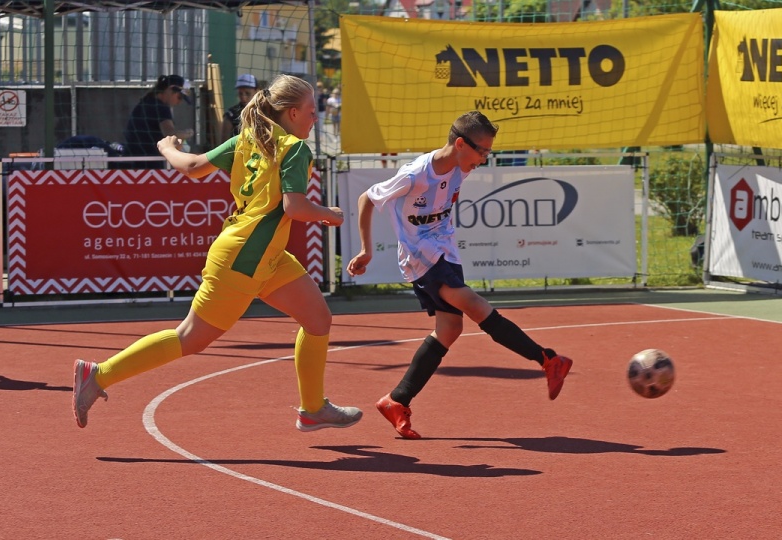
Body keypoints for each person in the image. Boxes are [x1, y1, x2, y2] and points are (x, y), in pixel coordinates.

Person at [73, 74, 362, 433]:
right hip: (245, 257)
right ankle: (98, 375)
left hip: (262, 254)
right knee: (190, 337)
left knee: (318, 320)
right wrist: (327, 214)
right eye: (310, 110)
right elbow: (295, 208)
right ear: (290, 113)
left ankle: (313, 408)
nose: (315, 117)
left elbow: (192, 168)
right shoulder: (295, 148)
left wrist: (167, 148)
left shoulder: (246, 140)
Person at [345, 111, 573, 439]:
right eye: (482, 151)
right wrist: (367, 250)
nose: (484, 159)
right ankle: (547, 359)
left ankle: (397, 400)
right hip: (420, 255)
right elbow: (367, 198)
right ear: (461, 143)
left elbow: (453, 181)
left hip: (446, 250)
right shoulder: (415, 174)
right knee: (471, 302)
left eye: (488, 153)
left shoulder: (460, 168)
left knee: (450, 328)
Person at [122, 74, 195, 168]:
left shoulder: (146, 102)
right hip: (149, 165)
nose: (179, 102)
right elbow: (170, 134)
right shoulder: (161, 107)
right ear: (170, 89)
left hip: (131, 161)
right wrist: (188, 133)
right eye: (179, 97)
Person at [221, 73, 258, 140]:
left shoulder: (264, 111)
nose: (243, 97)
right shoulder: (231, 114)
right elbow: (224, 141)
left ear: (256, 91)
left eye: (247, 93)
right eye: (240, 93)